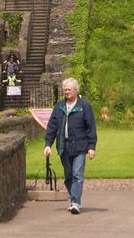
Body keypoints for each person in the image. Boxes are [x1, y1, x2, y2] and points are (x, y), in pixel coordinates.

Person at [44, 77, 97, 215]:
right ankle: (73, 198)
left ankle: (75, 203)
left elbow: (91, 127)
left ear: (75, 90)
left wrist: (91, 147)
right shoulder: (59, 106)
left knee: (77, 174)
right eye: (65, 90)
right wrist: (48, 144)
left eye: (69, 89)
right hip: (64, 146)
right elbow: (52, 126)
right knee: (68, 176)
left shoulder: (84, 106)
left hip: (80, 146)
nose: (66, 92)